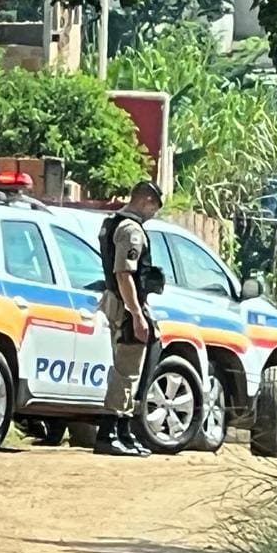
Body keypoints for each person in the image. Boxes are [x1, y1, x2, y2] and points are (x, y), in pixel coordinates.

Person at [94, 180, 165, 457]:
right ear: (146, 199)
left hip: (120, 301)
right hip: (126, 305)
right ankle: (109, 433)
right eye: (154, 207)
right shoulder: (131, 230)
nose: (153, 214)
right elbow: (124, 274)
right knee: (127, 370)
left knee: (132, 368)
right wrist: (136, 314)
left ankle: (123, 431)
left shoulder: (114, 223)